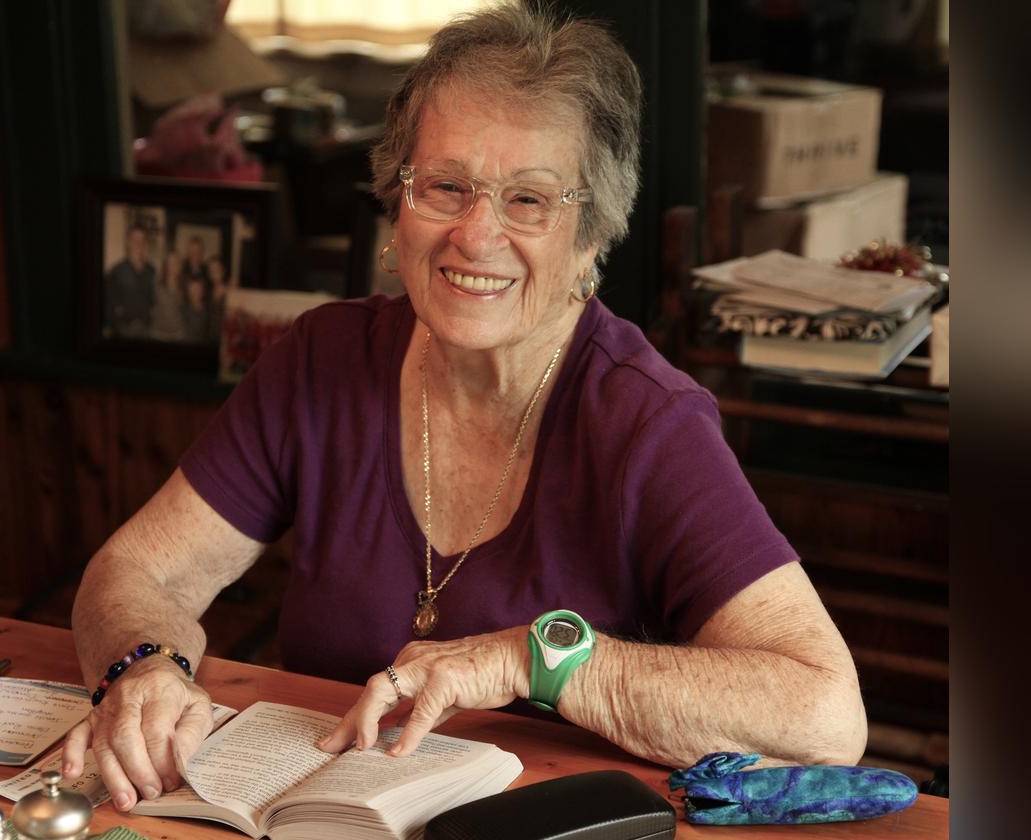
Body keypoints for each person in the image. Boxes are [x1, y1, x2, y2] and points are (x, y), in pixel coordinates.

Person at [64, 4, 866, 813]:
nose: (476, 236)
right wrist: (143, 667)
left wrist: (531, 660)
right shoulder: (321, 361)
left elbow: (825, 715)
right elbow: (138, 571)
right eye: (446, 187)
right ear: (397, 202)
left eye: (529, 199)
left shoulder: (646, 421)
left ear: (589, 238)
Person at [104, 224, 156, 338]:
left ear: (146, 243)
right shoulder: (116, 271)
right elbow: (109, 306)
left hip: (147, 330)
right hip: (123, 330)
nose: (139, 243)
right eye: (135, 239)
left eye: (142, 240)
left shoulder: (151, 270)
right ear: (127, 242)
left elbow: (153, 300)